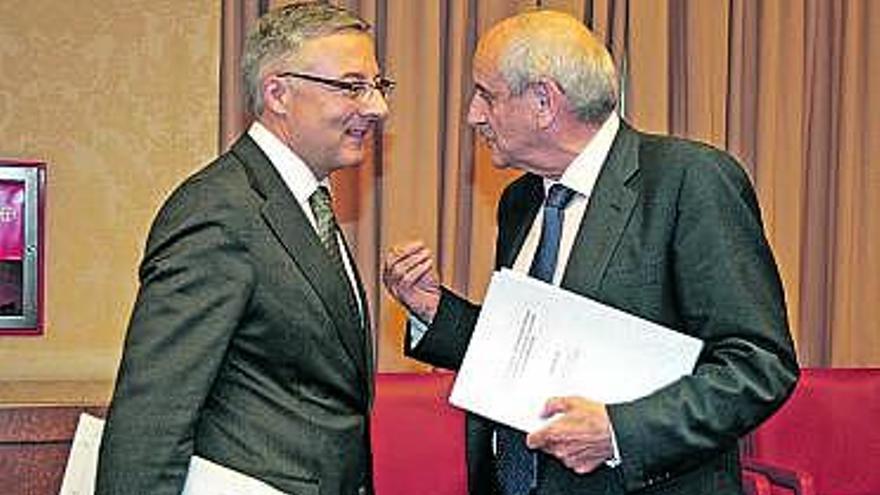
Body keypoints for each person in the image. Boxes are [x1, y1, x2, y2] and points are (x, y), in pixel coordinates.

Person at [383, 10, 798, 495]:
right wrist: (432, 309)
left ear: (543, 101)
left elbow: (758, 364)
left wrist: (619, 432)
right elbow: (526, 352)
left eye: (486, 95)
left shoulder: (688, 180)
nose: (473, 115)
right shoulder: (521, 201)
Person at [96, 2, 390, 494]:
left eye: (378, 86)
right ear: (278, 93)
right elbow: (153, 415)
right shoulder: (218, 210)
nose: (378, 108)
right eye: (352, 86)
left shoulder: (302, 201)